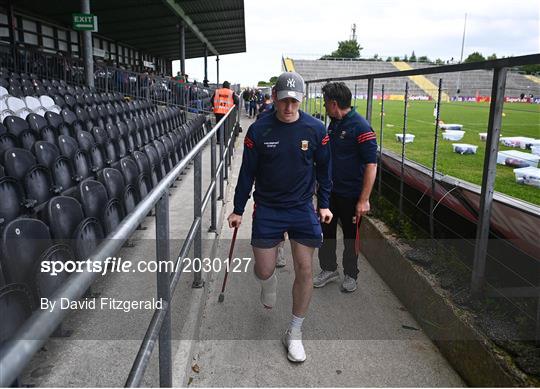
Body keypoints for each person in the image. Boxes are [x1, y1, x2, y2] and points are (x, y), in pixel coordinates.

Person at [227, 71, 332, 363]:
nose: (288, 107)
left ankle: (295, 332)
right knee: (263, 270)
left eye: (294, 102)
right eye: (284, 100)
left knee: (305, 269)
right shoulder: (259, 131)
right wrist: (238, 209)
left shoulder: (315, 130)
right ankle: (268, 280)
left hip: (301, 207)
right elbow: (247, 173)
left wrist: (323, 204)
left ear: (301, 100)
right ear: (274, 98)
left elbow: (324, 170)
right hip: (269, 208)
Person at [314, 82, 377, 293]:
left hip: (351, 196)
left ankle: (351, 273)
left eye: (325, 104)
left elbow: (371, 165)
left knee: (351, 237)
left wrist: (364, 199)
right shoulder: (334, 123)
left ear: (334, 104)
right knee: (326, 232)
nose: (324, 107)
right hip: (330, 193)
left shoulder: (361, 127)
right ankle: (329, 268)